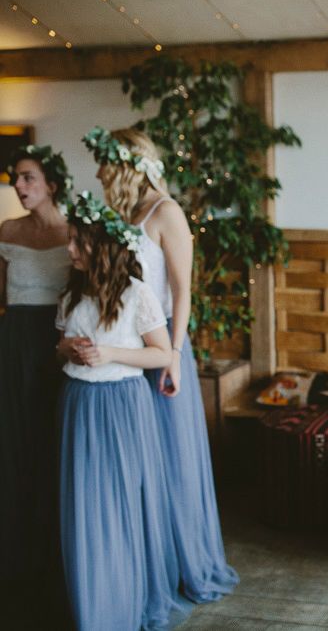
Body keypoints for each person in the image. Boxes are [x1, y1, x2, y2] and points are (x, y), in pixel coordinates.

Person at [82, 126, 238, 602]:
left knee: (171, 459)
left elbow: (184, 290)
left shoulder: (166, 212)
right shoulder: (117, 213)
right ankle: (143, 563)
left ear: (126, 164)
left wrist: (172, 353)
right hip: (123, 347)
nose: (101, 175)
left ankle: (182, 563)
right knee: (138, 464)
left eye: (106, 166)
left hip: (164, 345)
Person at [57, 191, 192, 630]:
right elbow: (58, 344)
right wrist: (70, 349)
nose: (70, 250)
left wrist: (110, 352)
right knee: (86, 506)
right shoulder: (72, 292)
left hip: (124, 405)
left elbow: (160, 356)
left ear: (101, 244)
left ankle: (128, 595)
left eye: (78, 242)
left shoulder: (136, 294)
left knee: (123, 503)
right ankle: (93, 601)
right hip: (80, 405)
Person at [0, 144, 72, 625]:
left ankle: (58, 549)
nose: (18, 187)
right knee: (16, 441)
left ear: (52, 182)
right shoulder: (6, 231)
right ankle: (16, 550)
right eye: (14, 179)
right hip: (14, 343)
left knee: (56, 439)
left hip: (63, 342)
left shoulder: (76, 233)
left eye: (27, 177)